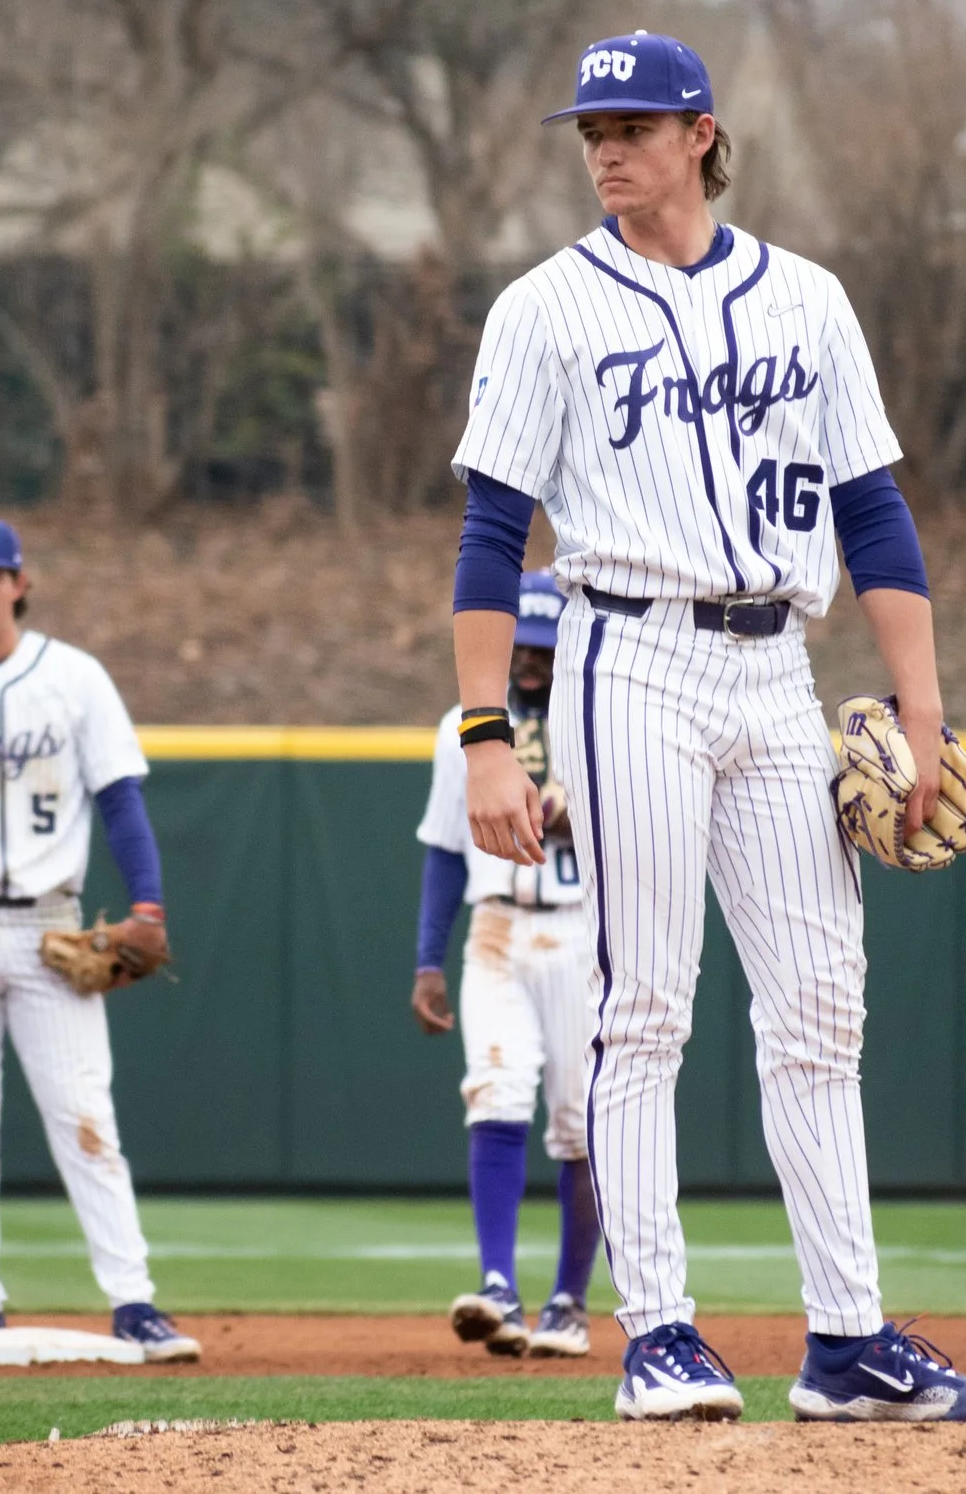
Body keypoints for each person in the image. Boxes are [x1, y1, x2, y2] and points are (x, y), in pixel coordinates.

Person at [445, 30, 966, 1425]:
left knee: (823, 1006)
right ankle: (660, 1329)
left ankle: (846, 1340)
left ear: (703, 132)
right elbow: (487, 530)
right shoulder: (543, 308)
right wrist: (483, 734)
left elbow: (874, 509)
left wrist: (924, 706)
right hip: (623, 654)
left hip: (779, 670)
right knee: (644, 1002)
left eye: (634, 124)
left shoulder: (809, 302)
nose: (606, 148)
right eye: (591, 128)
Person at [0, 516, 200, 1363]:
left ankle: (135, 1302)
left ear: (20, 582)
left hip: (49, 920)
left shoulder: (76, 679)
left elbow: (121, 799)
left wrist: (150, 906)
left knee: (85, 1114)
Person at [412, 569, 600, 1360]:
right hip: (495, 930)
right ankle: (498, 1286)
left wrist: (574, 813)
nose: (529, 659)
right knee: (494, 1090)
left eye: (543, 645)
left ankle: (569, 1299)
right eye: (520, 643)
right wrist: (428, 957)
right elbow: (446, 849)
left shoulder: (601, 716)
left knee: (581, 1122)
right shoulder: (466, 726)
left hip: (584, 929)